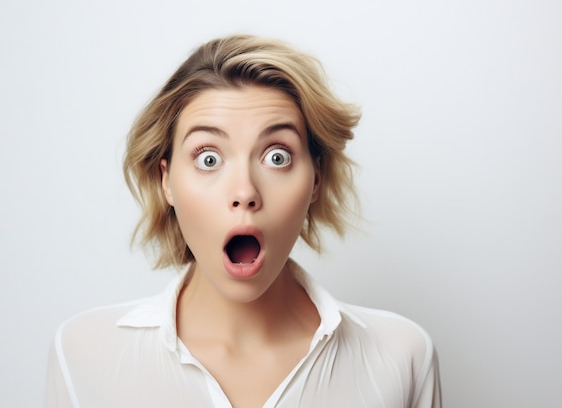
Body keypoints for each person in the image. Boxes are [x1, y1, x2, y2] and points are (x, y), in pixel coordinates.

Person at [45, 34, 442, 408]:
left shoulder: (402, 357)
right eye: (209, 159)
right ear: (167, 181)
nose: (245, 192)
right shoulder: (83, 355)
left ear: (316, 180)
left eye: (277, 157)